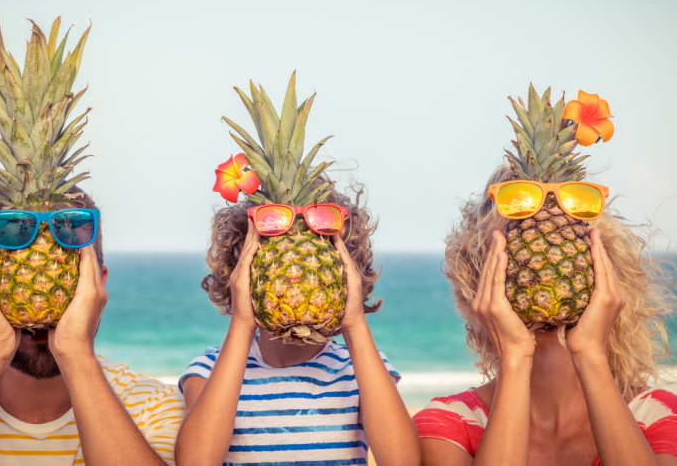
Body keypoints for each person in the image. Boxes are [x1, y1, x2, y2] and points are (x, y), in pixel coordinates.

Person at [413, 167, 677, 466]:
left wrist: (590, 353)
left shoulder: (657, 413)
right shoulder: (448, 424)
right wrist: (514, 357)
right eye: (525, 252)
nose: (544, 280)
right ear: (477, 272)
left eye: (561, 249)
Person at [0, 195, 184, 466]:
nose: (38, 306)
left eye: (61, 276)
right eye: (18, 278)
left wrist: (75, 354)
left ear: (99, 286)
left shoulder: (154, 404)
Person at [174, 188, 422, 466]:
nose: (294, 273)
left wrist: (354, 325)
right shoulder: (208, 369)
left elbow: (402, 461)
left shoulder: (359, 370)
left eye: (311, 255)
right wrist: (242, 325)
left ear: (339, 269)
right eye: (278, 256)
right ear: (245, 270)